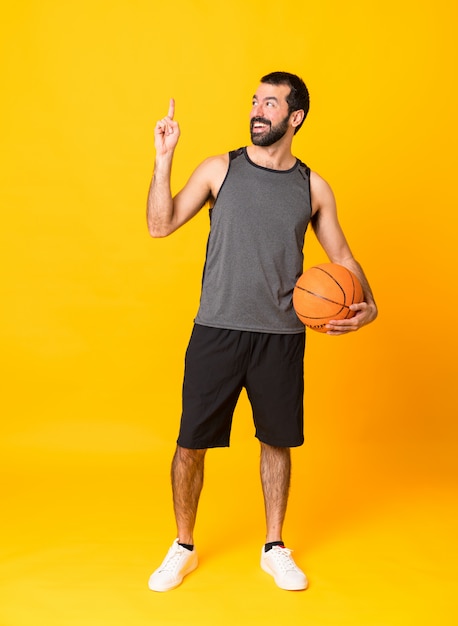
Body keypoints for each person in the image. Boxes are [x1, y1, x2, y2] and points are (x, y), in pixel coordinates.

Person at [146, 71, 377, 592]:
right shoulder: (219, 169)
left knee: (277, 442)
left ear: (294, 117)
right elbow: (160, 225)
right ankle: (182, 545)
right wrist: (164, 161)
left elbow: (342, 256)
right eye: (255, 100)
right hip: (216, 330)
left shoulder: (311, 186)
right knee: (190, 444)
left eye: (270, 103)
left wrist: (372, 304)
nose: (258, 110)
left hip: (281, 335)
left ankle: (275, 547)